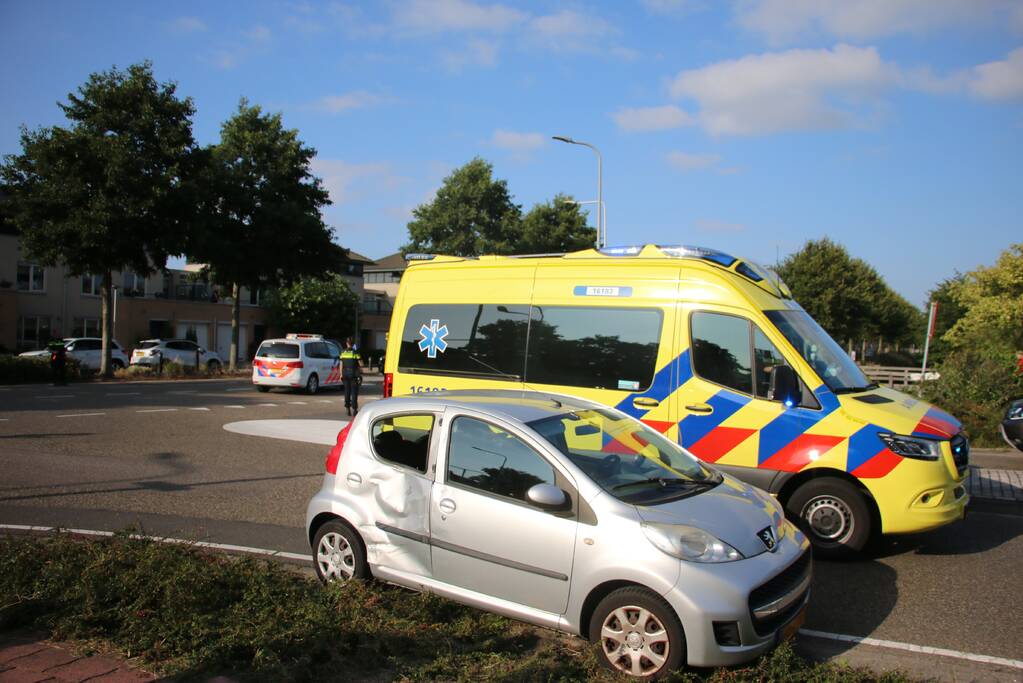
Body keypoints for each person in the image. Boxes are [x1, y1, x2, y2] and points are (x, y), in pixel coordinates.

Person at [340, 337, 362, 416]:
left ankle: (347, 409)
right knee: (354, 392)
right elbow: (361, 364)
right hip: (353, 374)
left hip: (345, 374)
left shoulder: (343, 352)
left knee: (347, 391)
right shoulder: (355, 352)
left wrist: (341, 374)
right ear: (353, 344)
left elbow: (341, 364)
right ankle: (354, 409)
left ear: (346, 343)